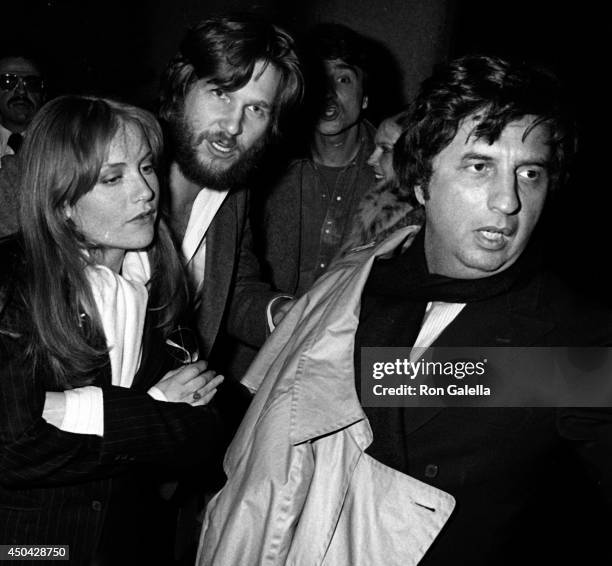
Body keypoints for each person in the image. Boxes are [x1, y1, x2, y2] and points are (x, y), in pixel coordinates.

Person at [196, 55, 612, 565]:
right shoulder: (360, 282)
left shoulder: (571, 337)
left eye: (529, 173)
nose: (508, 201)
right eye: (480, 166)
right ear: (421, 183)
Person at [0, 95, 231, 565]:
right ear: (61, 200)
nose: (145, 191)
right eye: (114, 177)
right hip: (27, 546)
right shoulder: (13, 280)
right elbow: (11, 448)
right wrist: (152, 410)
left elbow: (203, 428)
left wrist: (78, 409)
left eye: (147, 168)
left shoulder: (156, 281)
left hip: (126, 542)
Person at [158, 15, 303, 367]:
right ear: (181, 87)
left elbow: (233, 288)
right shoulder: (119, 173)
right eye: (221, 94)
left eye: (255, 109)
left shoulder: (233, 192)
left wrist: (278, 312)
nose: (233, 126)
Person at [260, 22, 376, 301]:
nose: (328, 91)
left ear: (365, 98)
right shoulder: (265, 166)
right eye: (318, 78)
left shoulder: (395, 171)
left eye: (344, 79)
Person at [342, 108, 423, 252]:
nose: (371, 159)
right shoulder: (375, 205)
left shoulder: (417, 227)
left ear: (416, 157)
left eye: (385, 150)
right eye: (375, 148)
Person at [0, 53, 44, 160]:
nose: (21, 91)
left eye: (32, 83)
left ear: (43, 93)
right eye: (8, 81)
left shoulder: (63, 144)